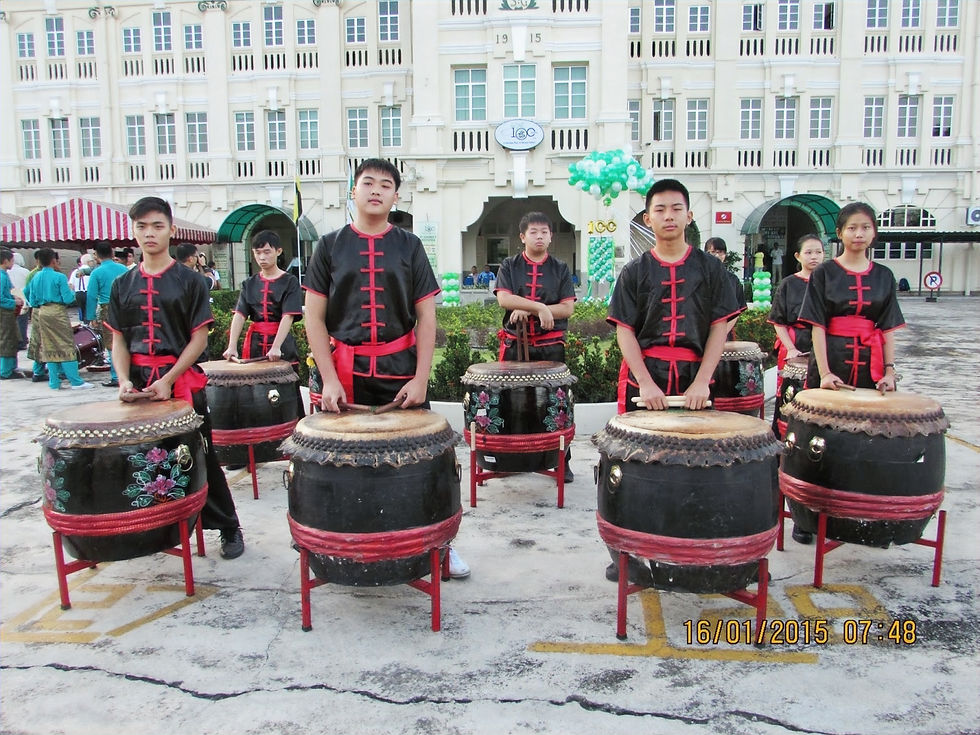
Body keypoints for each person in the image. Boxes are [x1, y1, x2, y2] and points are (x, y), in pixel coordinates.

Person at [304, 158, 469, 579]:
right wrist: (329, 379)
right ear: (353, 191)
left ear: (397, 196)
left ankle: (440, 548)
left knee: (420, 464)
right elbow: (314, 318)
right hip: (346, 373)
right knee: (339, 465)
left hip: (401, 371)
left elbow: (427, 319)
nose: (376, 190)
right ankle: (338, 545)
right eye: (367, 182)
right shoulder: (328, 245)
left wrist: (421, 378)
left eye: (385, 184)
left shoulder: (409, 246)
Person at [605, 179, 742, 585]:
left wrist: (702, 382)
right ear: (647, 218)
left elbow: (720, 327)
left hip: (694, 379)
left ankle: (688, 542)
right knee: (633, 467)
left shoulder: (711, 268)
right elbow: (624, 331)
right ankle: (625, 550)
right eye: (660, 209)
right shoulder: (634, 270)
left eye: (676, 208)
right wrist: (645, 384)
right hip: (645, 379)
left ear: (689, 214)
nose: (668, 216)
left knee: (695, 465)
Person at [105, 196, 244, 559]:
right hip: (137, 383)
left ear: (170, 229)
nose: (149, 233)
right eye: (141, 226)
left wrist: (168, 378)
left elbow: (199, 338)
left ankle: (228, 526)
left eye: (157, 226)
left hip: (180, 383)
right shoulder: (122, 284)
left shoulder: (190, 281)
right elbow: (118, 339)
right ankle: (152, 531)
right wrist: (122, 380)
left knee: (200, 455)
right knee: (139, 459)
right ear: (133, 231)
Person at [494, 212, 577, 481]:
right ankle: (508, 459)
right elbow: (504, 299)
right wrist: (538, 307)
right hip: (515, 345)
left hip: (551, 347)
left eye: (544, 231)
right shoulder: (509, 264)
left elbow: (567, 308)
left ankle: (561, 460)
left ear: (551, 237)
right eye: (533, 232)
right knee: (510, 402)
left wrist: (525, 309)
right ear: (522, 237)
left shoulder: (561, 268)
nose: (539, 236)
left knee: (556, 404)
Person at [800, 202, 904, 393]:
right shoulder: (824, 272)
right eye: (852, 228)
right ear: (839, 233)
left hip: (870, 362)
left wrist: (889, 373)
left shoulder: (884, 275)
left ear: (874, 232)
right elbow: (818, 325)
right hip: (831, 360)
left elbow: (887, 328)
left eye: (866, 228)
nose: (859, 234)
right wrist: (825, 373)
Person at [767, 233, 825, 545]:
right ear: (798, 256)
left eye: (819, 251)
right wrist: (790, 348)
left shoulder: (830, 282)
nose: (814, 256)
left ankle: (821, 508)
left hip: (827, 359)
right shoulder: (789, 285)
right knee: (790, 427)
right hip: (795, 353)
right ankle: (792, 500)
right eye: (809, 252)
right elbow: (778, 320)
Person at [224, 231, 303, 366]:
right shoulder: (249, 283)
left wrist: (276, 346)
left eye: (267, 252)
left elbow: (288, 316)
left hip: (282, 346)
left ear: (278, 251)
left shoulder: (290, 281)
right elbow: (240, 314)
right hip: (255, 344)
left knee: (284, 385)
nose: (262, 257)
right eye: (257, 252)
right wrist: (232, 346)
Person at [24, 248, 94, 390]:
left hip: (42, 312)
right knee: (66, 344)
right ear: (53, 260)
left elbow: (31, 299)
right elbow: (68, 298)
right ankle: (75, 381)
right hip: (57, 311)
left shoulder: (36, 276)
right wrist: (71, 291)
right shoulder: (59, 277)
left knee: (48, 345)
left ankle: (54, 382)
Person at [85, 241, 129, 388]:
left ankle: (116, 375)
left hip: (107, 308)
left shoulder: (96, 272)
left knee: (111, 343)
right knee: (127, 339)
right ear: (112, 253)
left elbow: (91, 295)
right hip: (126, 306)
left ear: (96, 255)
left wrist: (91, 316)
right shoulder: (123, 268)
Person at [704, 237, 747, 339]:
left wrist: (722, 334)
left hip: (725, 333)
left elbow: (736, 311)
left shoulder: (733, 280)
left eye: (720, 252)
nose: (717, 255)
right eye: (712, 252)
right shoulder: (698, 278)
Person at [0, 249, 26, 379]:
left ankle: (10, 367)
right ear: (5, 261)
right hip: (4, 312)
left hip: (8, 312)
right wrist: (13, 301)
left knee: (13, 338)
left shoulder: (4, 274)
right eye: (11, 260)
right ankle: (5, 371)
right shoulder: (1, 276)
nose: (12, 263)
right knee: (6, 340)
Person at [9, 252, 30, 350]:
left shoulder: (6, 272)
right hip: (22, 299)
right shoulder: (25, 271)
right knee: (22, 321)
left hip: (10, 299)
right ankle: (22, 342)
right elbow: (29, 286)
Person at [68, 256, 91, 322]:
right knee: (90, 310)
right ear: (89, 262)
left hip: (78, 293)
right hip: (89, 292)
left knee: (82, 310)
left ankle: (85, 323)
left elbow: (71, 284)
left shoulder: (75, 271)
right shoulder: (91, 271)